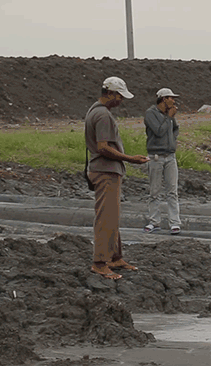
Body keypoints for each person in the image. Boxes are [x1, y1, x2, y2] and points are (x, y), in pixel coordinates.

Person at [85, 76, 150, 280]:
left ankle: (114, 257)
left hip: (104, 170)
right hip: (105, 171)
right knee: (106, 218)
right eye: (120, 96)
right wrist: (130, 159)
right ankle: (100, 263)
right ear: (110, 93)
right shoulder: (103, 115)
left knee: (111, 216)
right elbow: (103, 148)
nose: (121, 101)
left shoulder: (95, 110)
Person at [144, 88, 182, 235]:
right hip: (156, 157)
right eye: (171, 98)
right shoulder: (150, 113)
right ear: (163, 99)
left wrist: (172, 141)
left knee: (172, 191)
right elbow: (159, 131)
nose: (173, 101)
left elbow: (175, 129)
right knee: (155, 191)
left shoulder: (169, 115)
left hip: (170, 157)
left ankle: (175, 222)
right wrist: (169, 118)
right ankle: (154, 221)